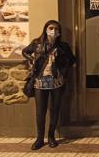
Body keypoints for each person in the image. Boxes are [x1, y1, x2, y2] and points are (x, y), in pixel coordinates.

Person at [22, 20, 75, 150]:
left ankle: (51, 136)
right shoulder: (37, 43)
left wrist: (62, 64)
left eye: (56, 29)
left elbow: (72, 61)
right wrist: (32, 60)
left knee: (55, 109)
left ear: (59, 32)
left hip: (56, 81)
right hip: (40, 81)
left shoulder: (63, 46)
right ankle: (39, 138)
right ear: (45, 29)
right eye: (51, 28)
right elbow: (25, 51)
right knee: (40, 112)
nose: (54, 31)